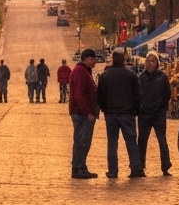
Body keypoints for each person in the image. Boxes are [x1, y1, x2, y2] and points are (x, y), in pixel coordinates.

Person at [97, 50, 143, 178]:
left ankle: (113, 171)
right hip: (127, 113)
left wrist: (104, 109)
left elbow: (100, 96)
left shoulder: (105, 76)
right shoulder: (131, 75)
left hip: (111, 113)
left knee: (112, 143)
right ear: (123, 59)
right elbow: (138, 95)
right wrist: (135, 110)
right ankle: (136, 169)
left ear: (113, 59)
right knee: (131, 142)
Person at [137, 53, 173, 176]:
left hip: (158, 114)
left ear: (156, 63)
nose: (149, 63)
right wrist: (141, 108)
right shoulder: (141, 78)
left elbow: (167, 94)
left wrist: (162, 108)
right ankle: (140, 166)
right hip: (144, 115)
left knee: (162, 140)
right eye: (147, 61)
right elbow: (137, 95)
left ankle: (165, 166)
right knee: (142, 140)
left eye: (152, 61)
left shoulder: (162, 77)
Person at [68, 49, 99, 179]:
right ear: (86, 59)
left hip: (82, 112)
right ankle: (78, 168)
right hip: (81, 113)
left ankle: (81, 166)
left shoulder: (83, 71)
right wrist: (88, 112)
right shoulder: (81, 72)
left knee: (82, 141)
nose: (94, 62)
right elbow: (79, 94)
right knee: (82, 141)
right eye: (92, 59)